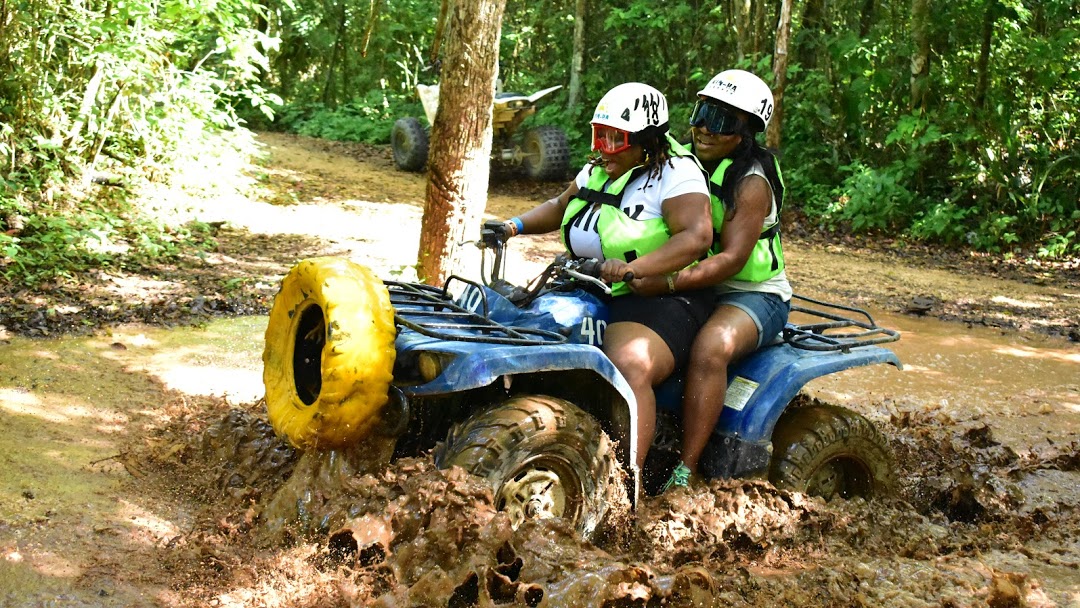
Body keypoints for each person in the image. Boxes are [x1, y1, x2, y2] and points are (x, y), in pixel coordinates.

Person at [488, 82, 714, 472]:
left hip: (660, 294)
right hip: (589, 284)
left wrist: (635, 268)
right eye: (599, 136)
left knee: (628, 363)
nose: (602, 148)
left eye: (615, 138)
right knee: (533, 332)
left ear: (646, 141)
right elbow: (561, 206)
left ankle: (628, 484)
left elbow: (696, 237)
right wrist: (512, 226)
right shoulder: (599, 168)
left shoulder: (678, 173)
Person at [627, 70, 792, 491]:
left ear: (745, 131)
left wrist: (667, 283)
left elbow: (733, 260)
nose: (704, 128)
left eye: (720, 121)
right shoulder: (686, 161)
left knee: (710, 348)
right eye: (702, 114)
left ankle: (687, 469)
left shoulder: (751, 183)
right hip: (699, 285)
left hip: (752, 294)